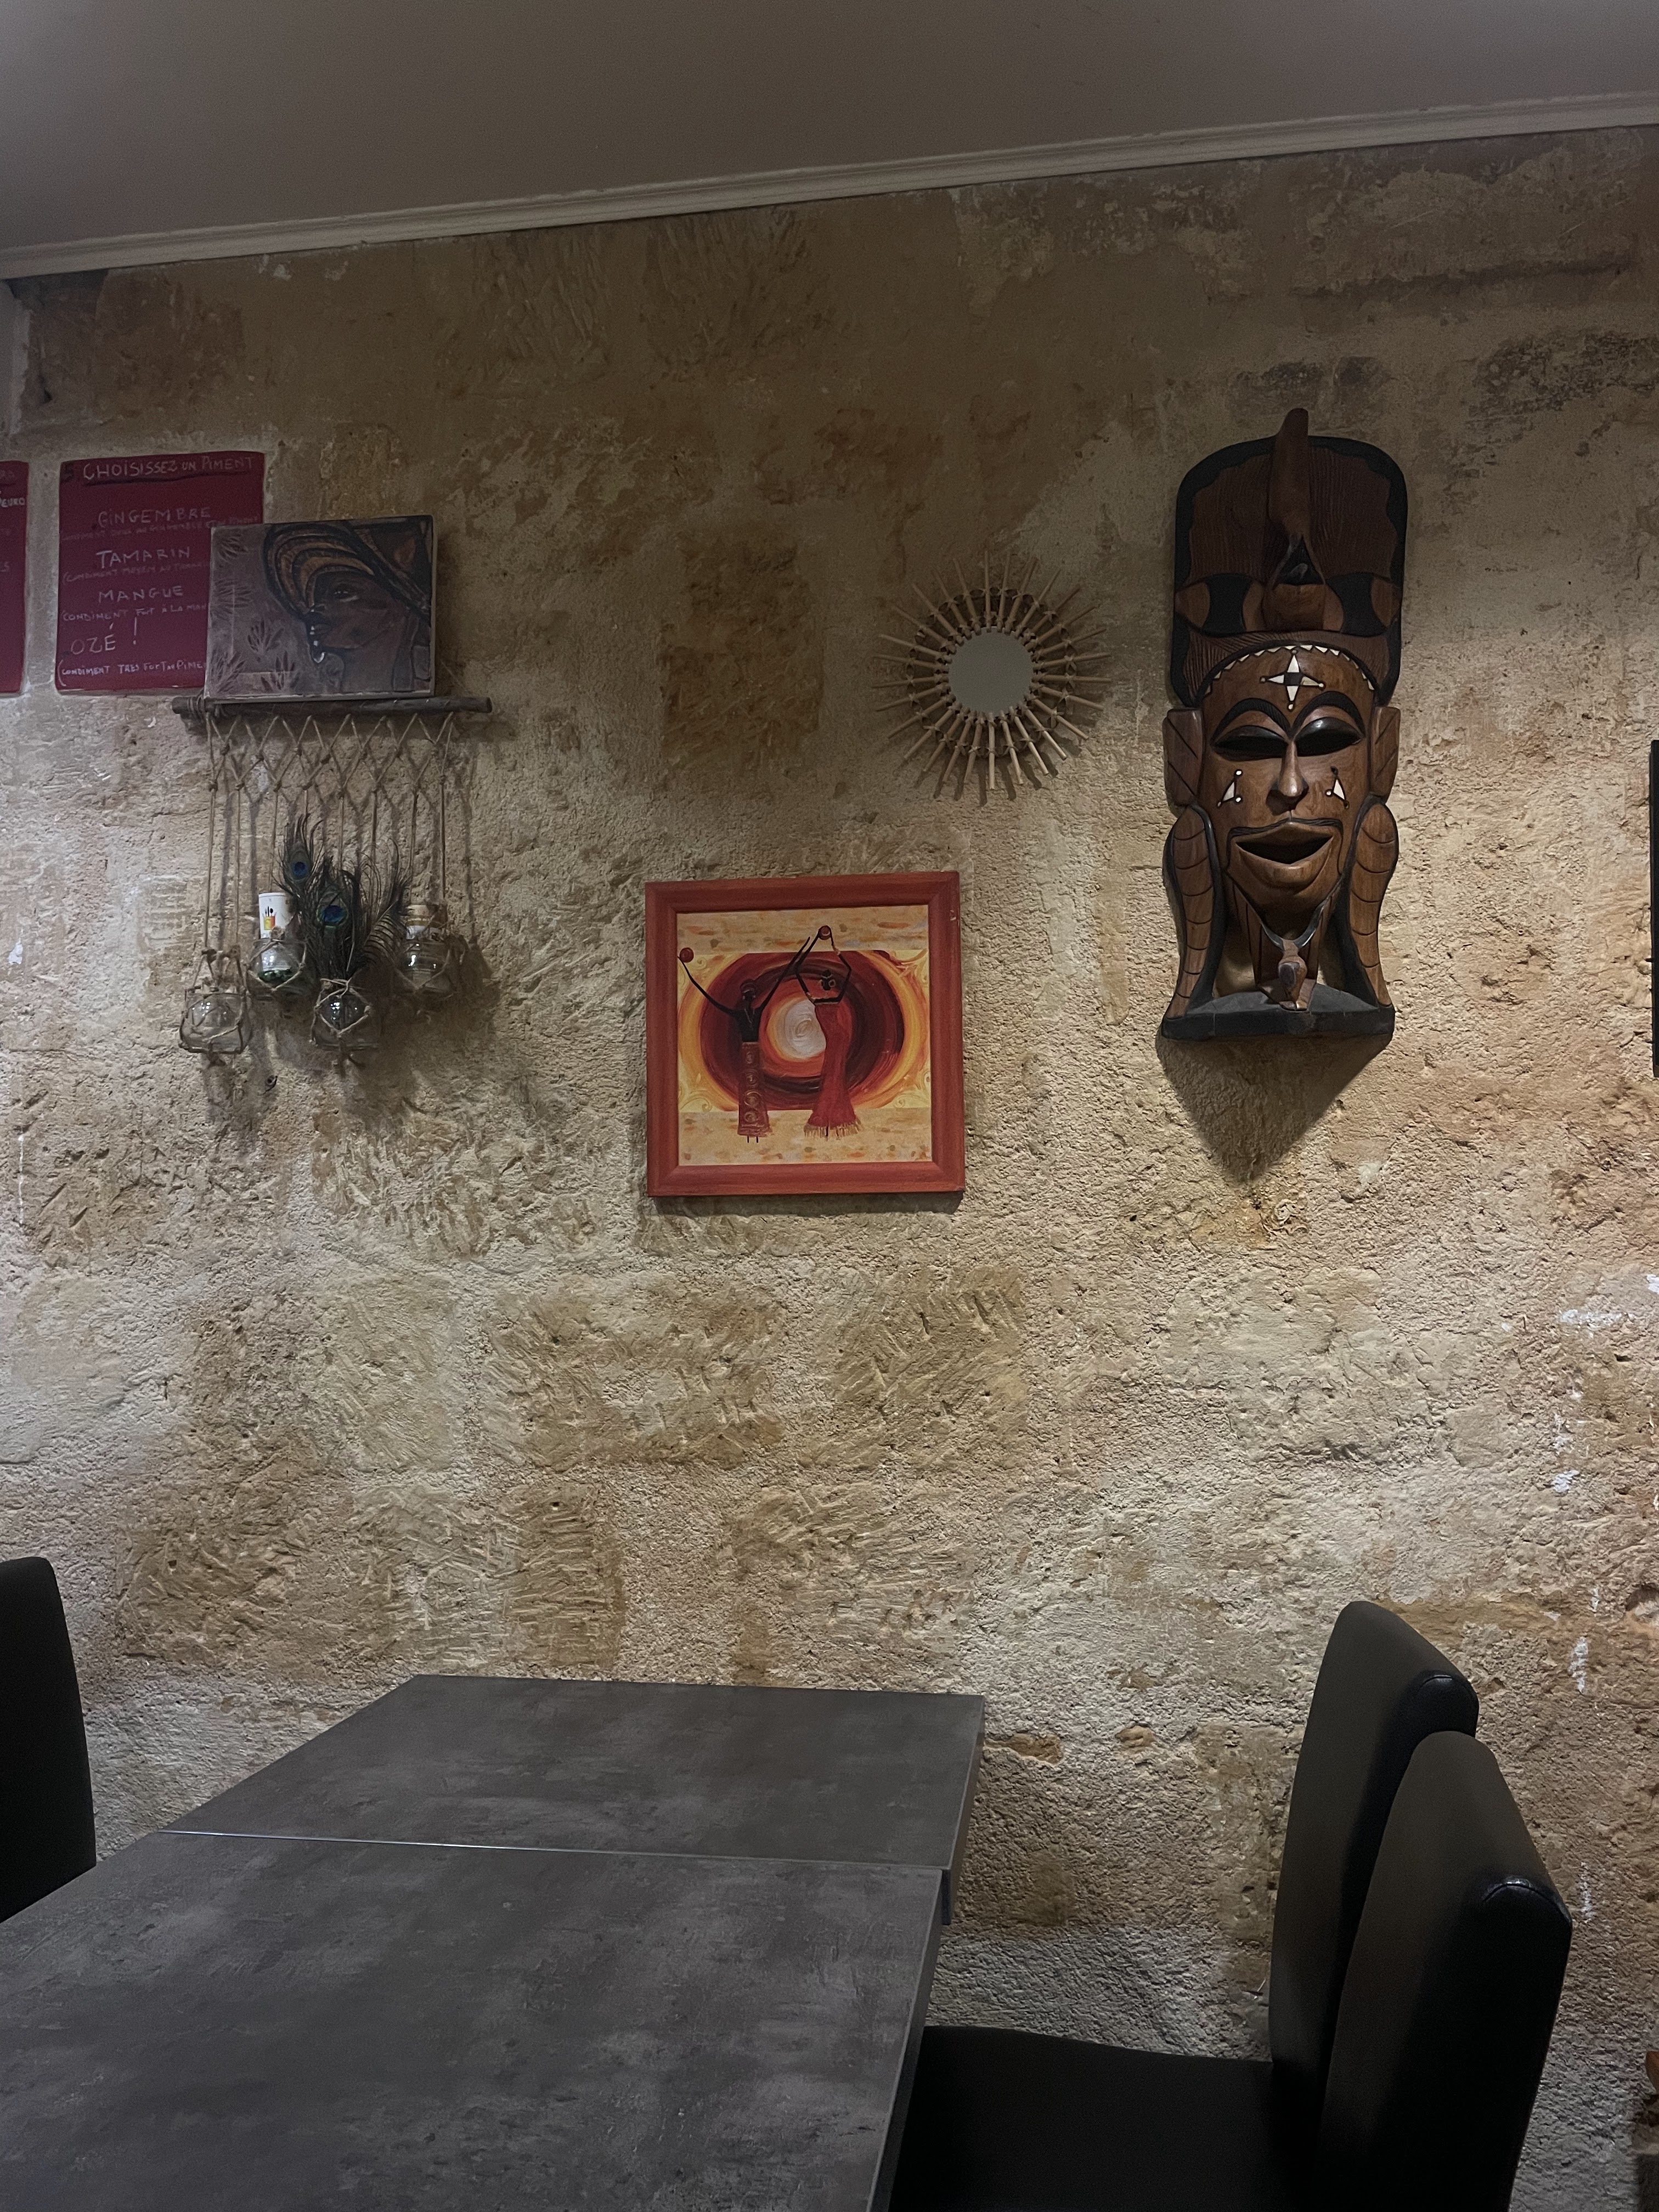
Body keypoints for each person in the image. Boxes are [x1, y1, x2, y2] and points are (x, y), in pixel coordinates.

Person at [679, 933, 813, 1142]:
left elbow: (777, 984)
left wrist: (800, 954)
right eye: (748, 994)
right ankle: (749, 1128)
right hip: (747, 1054)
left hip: (754, 1054)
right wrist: (689, 973)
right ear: (744, 996)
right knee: (748, 1091)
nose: (750, 997)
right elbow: (711, 1000)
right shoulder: (740, 1014)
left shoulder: (757, 1011)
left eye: (751, 994)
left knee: (756, 1090)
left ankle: (759, 1127)